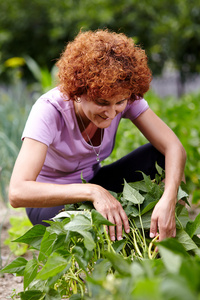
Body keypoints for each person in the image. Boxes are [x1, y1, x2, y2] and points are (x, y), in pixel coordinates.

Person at [9, 29, 186, 243]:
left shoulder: (122, 94)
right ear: (78, 91)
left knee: (159, 154)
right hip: (49, 204)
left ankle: (173, 232)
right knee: (86, 219)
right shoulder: (49, 111)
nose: (111, 113)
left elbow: (174, 147)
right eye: (102, 103)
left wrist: (168, 198)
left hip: (95, 183)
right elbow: (18, 192)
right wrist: (93, 192)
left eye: (119, 103)